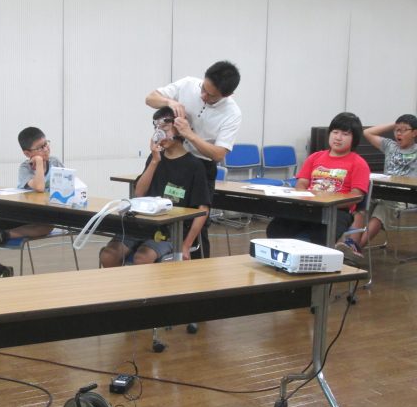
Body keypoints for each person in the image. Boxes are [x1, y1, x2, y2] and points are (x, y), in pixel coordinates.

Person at [145, 60, 241, 257]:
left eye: (211, 95)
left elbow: (218, 154)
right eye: (203, 89)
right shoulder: (188, 84)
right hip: (172, 158)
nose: (203, 96)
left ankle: (194, 260)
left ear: (228, 94)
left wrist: (190, 135)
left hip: (201, 166)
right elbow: (150, 98)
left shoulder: (232, 113)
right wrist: (169, 102)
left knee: (197, 220)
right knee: (166, 210)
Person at [99, 107, 210, 268]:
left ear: (180, 129)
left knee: (142, 258)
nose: (159, 133)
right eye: (156, 128)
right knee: (109, 255)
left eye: (165, 128)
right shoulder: (155, 158)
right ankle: (121, 284)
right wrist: (155, 161)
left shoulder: (194, 166)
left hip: (172, 231)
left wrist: (186, 245)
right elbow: (139, 192)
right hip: (143, 225)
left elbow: (203, 209)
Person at [266, 112, 370, 246]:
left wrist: (328, 203)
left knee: (322, 237)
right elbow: (302, 183)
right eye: (335, 132)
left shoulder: (359, 163)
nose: (338, 138)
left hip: (337, 211)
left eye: (345, 134)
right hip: (309, 207)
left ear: (354, 139)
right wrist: (305, 198)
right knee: (276, 229)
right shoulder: (315, 157)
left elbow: (356, 196)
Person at [0, 127, 63, 278]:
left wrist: (40, 160)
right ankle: (1, 270)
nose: (46, 149)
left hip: (43, 215)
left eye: (46, 144)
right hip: (21, 213)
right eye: (40, 148)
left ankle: (5, 235)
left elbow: (66, 186)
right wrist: (39, 163)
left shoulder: (55, 163)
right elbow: (39, 187)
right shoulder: (25, 168)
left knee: (47, 226)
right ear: (27, 153)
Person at [335, 114, 417, 262]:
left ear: (414, 132)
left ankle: (355, 248)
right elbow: (368, 132)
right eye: (397, 130)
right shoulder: (390, 146)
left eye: (404, 130)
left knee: (382, 209)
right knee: (361, 202)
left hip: (404, 197)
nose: (399, 133)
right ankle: (348, 243)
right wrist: (395, 124)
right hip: (382, 191)